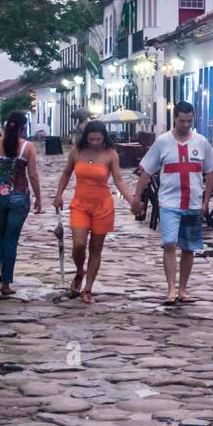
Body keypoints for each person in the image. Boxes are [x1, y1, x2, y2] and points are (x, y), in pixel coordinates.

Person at [130, 101, 213, 304]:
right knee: (169, 243)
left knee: (188, 247)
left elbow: (211, 170)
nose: (185, 125)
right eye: (182, 121)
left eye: (189, 121)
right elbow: (146, 171)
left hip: (192, 201)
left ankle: (183, 289)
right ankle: (170, 288)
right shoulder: (162, 142)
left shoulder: (201, 142)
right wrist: (136, 197)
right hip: (169, 202)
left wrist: (206, 201)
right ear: (175, 119)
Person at [53, 120, 135, 306]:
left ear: (104, 137)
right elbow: (66, 173)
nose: (95, 142)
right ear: (86, 138)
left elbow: (119, 181)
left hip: (102, 206)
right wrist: (58, 195)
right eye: (92, 139)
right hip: (80, 204)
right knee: (79, 244)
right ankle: (80, 270)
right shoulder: (77, 152)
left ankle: (88, 287)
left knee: (96, 248)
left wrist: (132, 200)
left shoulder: (110, 154)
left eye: (99, 139)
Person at [0, 111, 43, 296]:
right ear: (23, 127)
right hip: (19, 197)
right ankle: (5, 282)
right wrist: (38, 198)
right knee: (11, 240)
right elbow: (32, 175)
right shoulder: (27, 148)